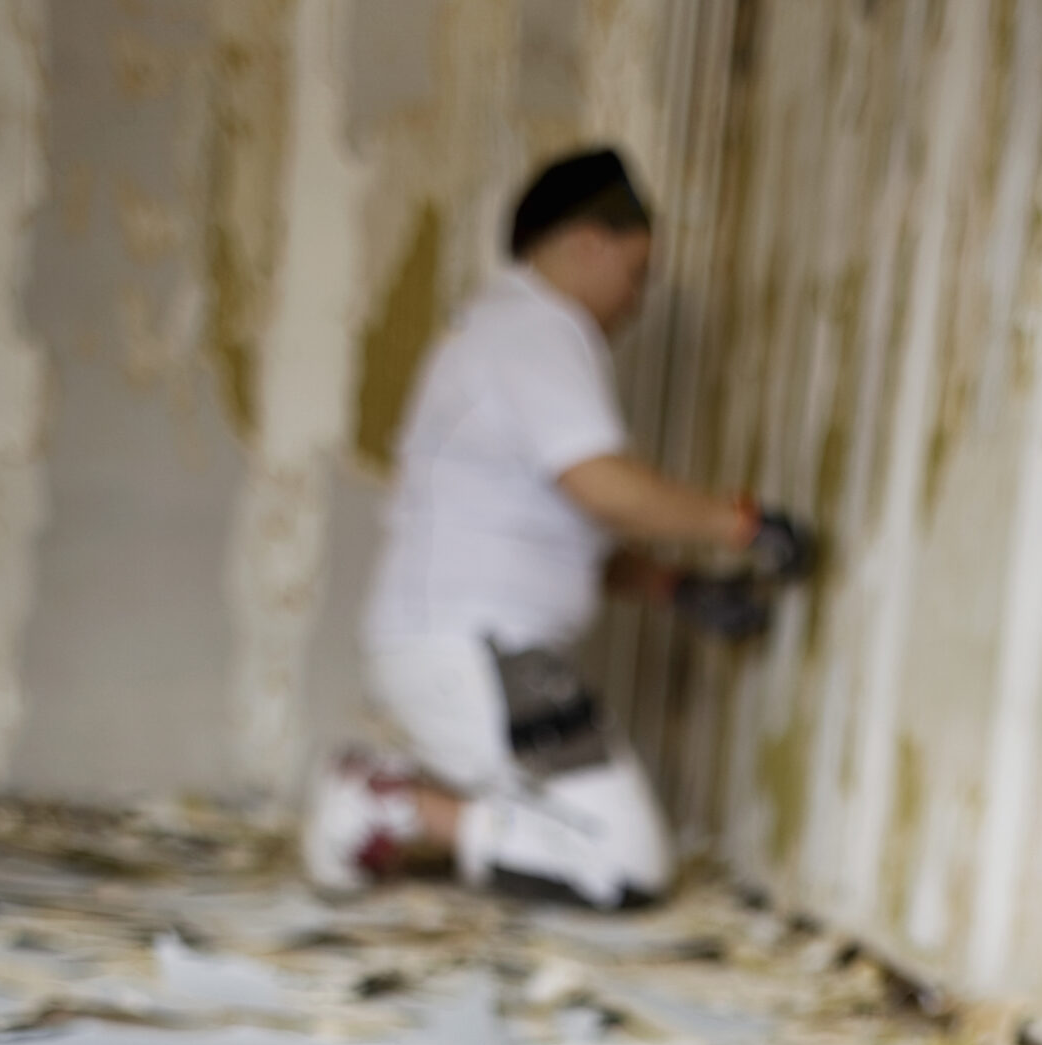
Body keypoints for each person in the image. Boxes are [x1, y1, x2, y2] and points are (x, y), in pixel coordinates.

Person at [305, 146, 812, 904]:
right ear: (587, 244)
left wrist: (675, 587)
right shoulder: (537, 329)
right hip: (479, 651)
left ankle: (398, 800)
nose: (636, 299)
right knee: (622, 867)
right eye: (635, 271)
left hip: (467, 648)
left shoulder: (496, 332)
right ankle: (385, 801)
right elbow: (603, 486)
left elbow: (561, 529)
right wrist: (741, 524)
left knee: (594, 837)